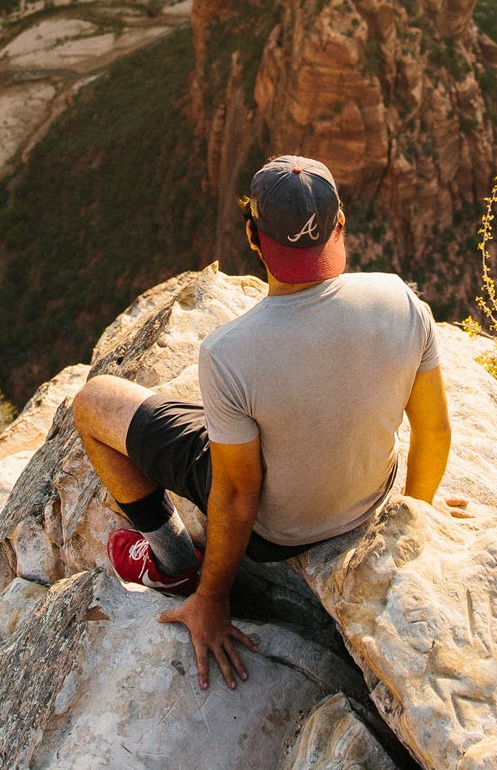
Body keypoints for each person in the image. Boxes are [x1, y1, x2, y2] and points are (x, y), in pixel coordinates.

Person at [71, 153, 467, 691]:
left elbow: (236, 493)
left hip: (275, 537)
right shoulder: (400, 300)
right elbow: (435, 430)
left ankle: (171, 561)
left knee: (95, 402)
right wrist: (414, 512)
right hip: (375, 500)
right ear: (341, 224)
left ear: (254, 238)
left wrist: (211, 599)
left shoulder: (230, 353)